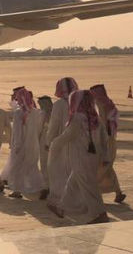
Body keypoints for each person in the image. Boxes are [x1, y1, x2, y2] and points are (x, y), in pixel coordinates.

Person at [48, 90, 109, 224]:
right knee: (73, 183)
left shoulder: (77, 118)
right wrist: (105, 157)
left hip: (81, 158)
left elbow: (67, 136)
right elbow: (105, 140)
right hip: (93, 158)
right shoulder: (95, 118)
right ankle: (61, 208)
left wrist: (52, 145)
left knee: (89, 186)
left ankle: (100, 213)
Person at [1, 87, 44, 199]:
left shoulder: (18, 113)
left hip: (21, 144)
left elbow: (17, 132)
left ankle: (17, 191)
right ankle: (40, 187)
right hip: (33, 143)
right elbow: (39, 129)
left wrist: (16, 145)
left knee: (17, 167)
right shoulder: (37, 112)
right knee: (31, 166)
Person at [46, 77, 79, 209]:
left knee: (59, 170)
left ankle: (61, 198)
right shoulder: (80, 101)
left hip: (62, 142)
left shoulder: (59, 104)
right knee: (74, 171)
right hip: (78, 143)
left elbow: (53, 125)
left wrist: (49, 142)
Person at [90, 84, 126, 203]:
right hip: (110, 140)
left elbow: (103, 124)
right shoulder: (110, 104)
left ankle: (95, 193)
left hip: (105, 141)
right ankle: (118, 192)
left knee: (102, 168)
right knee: (107, 168)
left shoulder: (102, 105)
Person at [38, 95, 54, 200]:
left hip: (46, 140)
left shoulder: (43, 114)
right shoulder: (57, 112)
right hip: (54, 140)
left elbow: (39, 129)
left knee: (45, 164)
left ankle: (47, 188)